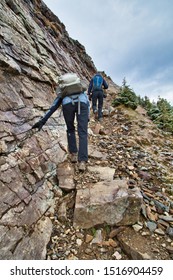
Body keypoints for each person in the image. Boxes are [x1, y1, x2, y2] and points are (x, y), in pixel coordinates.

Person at [32, 73, 90, 171]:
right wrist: (87, 116)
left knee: (70, 129)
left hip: (67, 104)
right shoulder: (80, 89)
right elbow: (87, 102)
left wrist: (42, 121)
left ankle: (74, 155)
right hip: (82, 104)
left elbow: (54, 106)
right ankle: (82, 162)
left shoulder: (64, 90)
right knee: (83, 132)